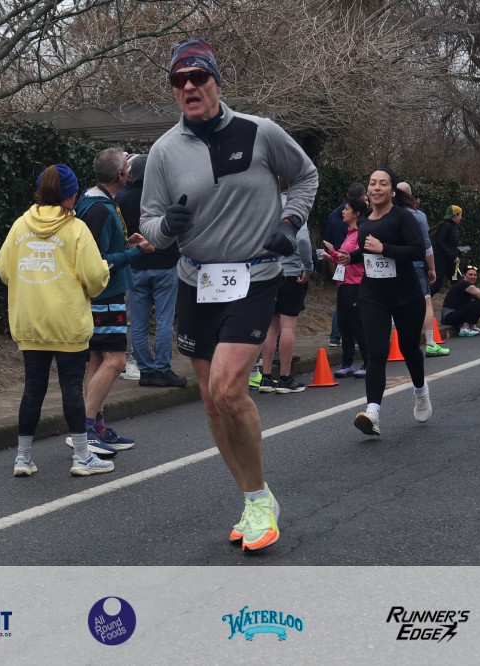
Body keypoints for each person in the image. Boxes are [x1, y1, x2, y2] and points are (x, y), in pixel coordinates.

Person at [140, 37, 318, 551]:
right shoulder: (163, 151)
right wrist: (166, 227)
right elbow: (149, 225)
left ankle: (260, 500)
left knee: (227, 387)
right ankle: (252, 497)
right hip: (196, 281)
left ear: (217, 82)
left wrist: (290, 222)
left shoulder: (260, 131)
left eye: (198, 77)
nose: (189, 87)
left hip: (254, 276)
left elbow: (305, 176)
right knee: (211, 400)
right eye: (179, 80)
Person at [0, 164, 114, 477]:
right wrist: (104, 269)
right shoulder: (76, 229)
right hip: (67, 322)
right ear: (70, 196)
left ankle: (22, 458)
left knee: (33, 388)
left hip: (30, 321)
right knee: (71, 387)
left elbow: (4, 269)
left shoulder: (20, 225)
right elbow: (94, 278)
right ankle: (82, 456)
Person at [334, 167, 429, 436]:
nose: (377, 188)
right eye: (373, 183)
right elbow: (367, 251)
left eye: (383, 184)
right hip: (373, 295)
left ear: (392, 190)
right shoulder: (365, 220)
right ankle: (372, 413)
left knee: (409, 349)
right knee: (376, 353)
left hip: (405, 295)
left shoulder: (403, 217)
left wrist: (385, 249)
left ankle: (421, 391)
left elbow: (417, 251)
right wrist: (351, 257)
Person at [74, 147, 154, 452]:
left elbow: (100, 250)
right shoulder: (99, 209)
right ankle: (85, 428)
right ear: (121, 175)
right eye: (127, 167)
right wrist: (136, 253)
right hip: (106, 295)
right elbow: (99, 261)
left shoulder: (94, 201)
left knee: (97, 360)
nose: (130, 171)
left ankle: (96, 425)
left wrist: (125, 242)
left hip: (102, 295)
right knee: (117, 361)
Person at [117, 153, 187, 388]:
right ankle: (162, 368)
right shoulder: (167, 198)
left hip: (136, 265)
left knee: (138, 322)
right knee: (164, 320)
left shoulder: (123, 198)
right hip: (166, 265)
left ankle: (145, 369)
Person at [258, 222, 313, 393]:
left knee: (271, 326)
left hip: (269, 273)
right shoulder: (296, 212)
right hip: (292, 274)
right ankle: (285, 378)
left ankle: (266, 377)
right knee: (287, 325)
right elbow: (303, 240)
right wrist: (308, 266)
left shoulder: (268, 209)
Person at [397, 182, 450, 358]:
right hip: (415, 264)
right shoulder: (418, 216)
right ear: (410, 195)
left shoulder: (388, 213)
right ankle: (431, 343)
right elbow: (426, 245)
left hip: (392, 265)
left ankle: (397, 343)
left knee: (395, 304)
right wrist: (432, 268)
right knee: (425, 302)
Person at [322, 197, 369, 378]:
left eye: (347, 209)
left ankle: (368, 363)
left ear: (356, 213)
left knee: (358, 325)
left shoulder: (361, 233)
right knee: (344, 324)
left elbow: (358, 256)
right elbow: (344, 258)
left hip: (356, 284)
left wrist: (338, 254)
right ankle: (347, 363)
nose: (343, 211)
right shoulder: (349, 232)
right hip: (343, 284)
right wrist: (332, 255)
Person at [441, 265, 480, 336]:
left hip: (456, 314)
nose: (473, 277)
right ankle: (465, 328)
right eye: (470, 274)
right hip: (448, 317)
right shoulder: (464, 283)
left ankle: (472, 326)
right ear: (464, 275)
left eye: (475, 275)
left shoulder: (468, 285)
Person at [430, 205, 463, 295]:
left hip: (452, 262)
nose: (461, 217)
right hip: (441, 261)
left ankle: (457, 302)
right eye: (460, 215)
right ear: (455, 215)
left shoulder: (453, 227)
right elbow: (440, 243)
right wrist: (453, 256)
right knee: (436, 285)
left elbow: (450, 244)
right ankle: (422, 302)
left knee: (459, 283)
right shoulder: (446, 226)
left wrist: (457, 250)